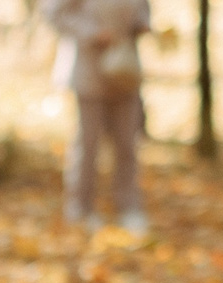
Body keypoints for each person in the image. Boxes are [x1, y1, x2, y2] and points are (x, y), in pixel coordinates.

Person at [44, 0, 152, 233]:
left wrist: (142, 23)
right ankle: (81, 208)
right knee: (88, 144)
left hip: (126, 72)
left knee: (127, 144)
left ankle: (129, 207)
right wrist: (92, 33)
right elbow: (54, 12)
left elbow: (142, 8)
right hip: (88, 72)